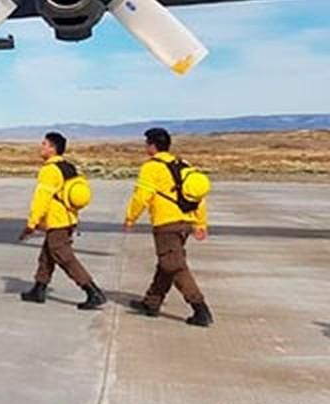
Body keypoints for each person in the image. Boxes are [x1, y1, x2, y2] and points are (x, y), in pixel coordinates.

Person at [125, 127, 212, 326]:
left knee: (174, 266)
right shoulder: (182, 165)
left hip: (166, 223)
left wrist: (131, 217)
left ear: (152, 146)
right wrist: (200, 222)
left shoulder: (151, 167)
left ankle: (200, 309)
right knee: (167, 263)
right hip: (185, 222)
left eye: (146, 143)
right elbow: (198, 197)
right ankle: (151, 303)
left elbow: (142, 196)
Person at [18, 131, 105, 309]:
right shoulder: (67, 167)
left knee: (64, 257)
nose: (41, 147)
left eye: (44, 144)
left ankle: (92, 291)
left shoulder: (49, 170)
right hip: (68, 218)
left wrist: (32, 223)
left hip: (57, 220)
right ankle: (39, 289)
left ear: (52, 148)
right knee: (47, 256)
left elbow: (41, 199)